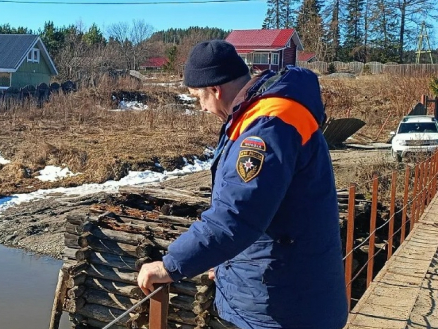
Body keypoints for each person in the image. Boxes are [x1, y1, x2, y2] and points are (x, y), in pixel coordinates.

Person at [136, 40, 348, 328]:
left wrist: (169, 266)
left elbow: (234, 218)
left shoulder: (266, 128)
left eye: (198, 97)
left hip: (284, 307)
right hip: (290, 292)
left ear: (215, 89)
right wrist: (226, 264)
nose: (201, 107)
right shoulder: (263, 114)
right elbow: (268, 209)